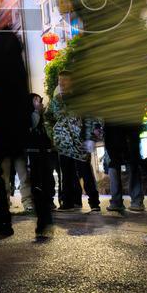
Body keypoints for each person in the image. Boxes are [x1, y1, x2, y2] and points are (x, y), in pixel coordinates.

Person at [0, 10, 50, 237]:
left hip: (3, 115)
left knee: (0, 172)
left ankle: (3, 222)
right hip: (18, 114)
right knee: (26, 169)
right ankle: (43, 219)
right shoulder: (12, 43)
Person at [47, 79, 101, 213]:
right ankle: (68, 203)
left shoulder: (80, 100)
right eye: (60, 82)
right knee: (66, 174)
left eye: (65, 81)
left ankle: (94, 203)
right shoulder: (55, 102)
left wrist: (90, 138)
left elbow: (91, 118)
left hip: (79, 143)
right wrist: (53, 134)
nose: (62, 84)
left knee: (85, 173)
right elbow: (47, 118)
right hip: (63, 144)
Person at [25, 94, 56, 215]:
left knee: (48, 176)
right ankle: (37, 201)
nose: (39, 102)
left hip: (46, 149)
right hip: (33, 150)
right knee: (36, 177)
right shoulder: (29, 114)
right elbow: (32, 124)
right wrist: (37, 111)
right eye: (35, 100)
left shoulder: (45, 113)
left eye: (39, 100)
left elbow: (49, 127)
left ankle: (49, 200)